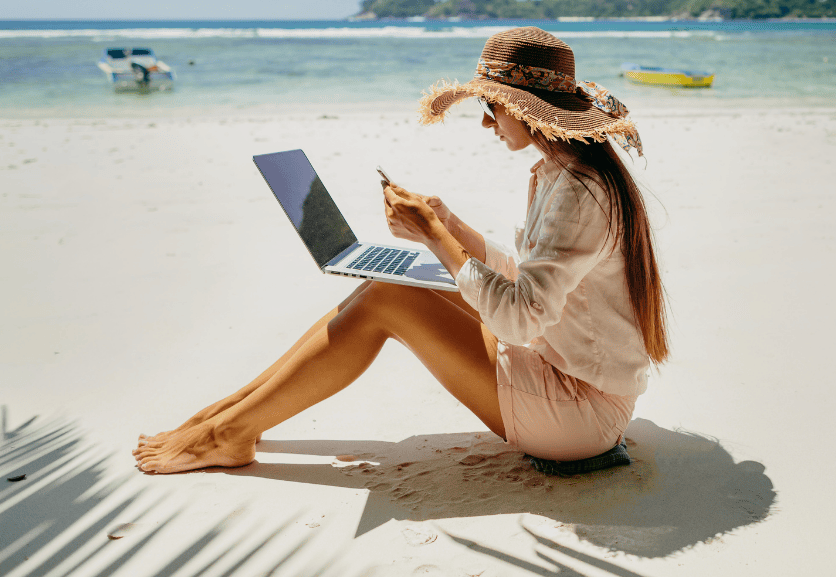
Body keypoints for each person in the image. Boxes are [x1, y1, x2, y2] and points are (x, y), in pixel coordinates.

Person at [133, 26, 668, 474]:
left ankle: (228, 433)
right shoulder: (563, 172)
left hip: (579, 415)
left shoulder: (579, 191)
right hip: (567, 373)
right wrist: (451, 225)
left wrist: (435, 237)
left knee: (389, 298)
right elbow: (529, 281)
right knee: (386, 285)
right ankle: (230, 412)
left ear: (525, 109)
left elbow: (519, 319)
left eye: (491, 106)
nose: (486, 121)